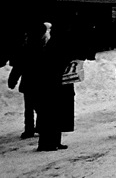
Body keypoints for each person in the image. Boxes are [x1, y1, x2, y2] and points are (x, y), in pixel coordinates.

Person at [33, 22, 74, 151]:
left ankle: (53, 141)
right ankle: (48, 142)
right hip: (52, 83)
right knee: (51, 113)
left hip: (54, 83)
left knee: (54, 113)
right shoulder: (55, 44)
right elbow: (55, 63)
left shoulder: (54, 42)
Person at [7, 23, 46, 139]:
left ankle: (29, 129)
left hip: (28, 82)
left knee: (29, 108)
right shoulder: (44, 48)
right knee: (40, 107)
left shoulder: (25, 48)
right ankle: (40, 126)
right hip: (41, 82)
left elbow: (18, 66)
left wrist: (12, 80)